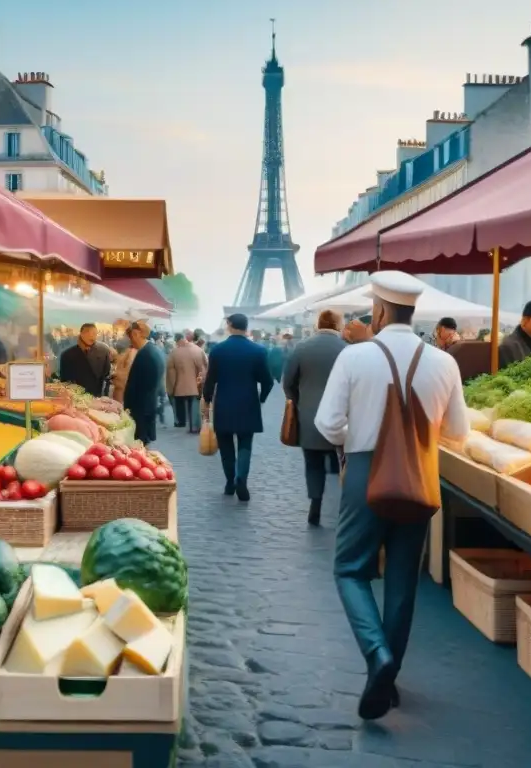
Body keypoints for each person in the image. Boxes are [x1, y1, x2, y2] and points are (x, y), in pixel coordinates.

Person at [314, 272, 469, 721]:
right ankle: (391, 675)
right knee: (403, 580)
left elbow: (327, 424)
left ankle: (376, 653)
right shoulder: (445, 362)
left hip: (365, 471)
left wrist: (355, 436)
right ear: (413, 311)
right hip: (420, 474)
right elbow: (458, 433)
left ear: (379, 311)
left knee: (349, 569)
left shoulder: (355, 357)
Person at [282, 310, 348, 526]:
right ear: (338, 325)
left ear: (318, 324)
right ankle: (344, 506)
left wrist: (298, 401)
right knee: (342, 462)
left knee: (312, 464)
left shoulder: (302, 348)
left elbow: (288, 382)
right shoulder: (347, 350)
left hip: (308, 417)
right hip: (340, 419)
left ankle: (315, 504)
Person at [202, 313, 273, 501]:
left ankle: (229, 482)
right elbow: (267, 381)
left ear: (230, 325)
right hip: (248, 402)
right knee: (245, 444)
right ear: (246, 326)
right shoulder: (258, 351)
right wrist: (262, 398)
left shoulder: (218, 350)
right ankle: (242, 477)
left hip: (224, 403)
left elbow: (210, 381)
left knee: (225, 446)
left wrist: (207, 400)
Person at [122, 321, 164, 445]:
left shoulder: (146, 354)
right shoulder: (153, 350)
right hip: (147, 407)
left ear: (136, 334)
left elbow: (142, 386)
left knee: (140, 444)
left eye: (130, 338)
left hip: (141, 410)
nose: (130, 342)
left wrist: (128, 408)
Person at [166, 333, 207, 433]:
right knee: (194, 404)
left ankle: (181, 422)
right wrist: (202, 383)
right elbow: (204, 367)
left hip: (179, 386)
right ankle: (194, 426)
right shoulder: (198, 350)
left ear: (177, 341)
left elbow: (171, 372)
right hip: (195, 386)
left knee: (180, 404)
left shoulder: (174, 353)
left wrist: (171, 387)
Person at [58, 323, 111, 396]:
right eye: (88, 332)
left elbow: (106, 375)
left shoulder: (104, 351)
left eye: (94, 333)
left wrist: (105, 396)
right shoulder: (67, 355)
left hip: (98, 397)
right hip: (76, 398)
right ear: (81, 334)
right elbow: (64, 380)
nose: (92, 336)